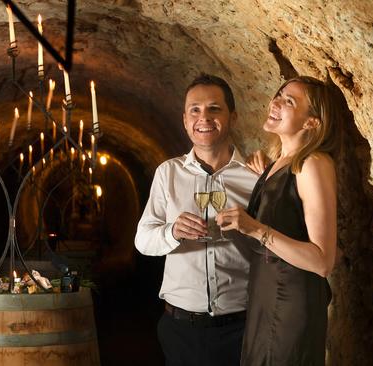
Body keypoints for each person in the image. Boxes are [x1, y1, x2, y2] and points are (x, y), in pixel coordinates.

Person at [135, 73, 265, 366]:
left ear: (233, 117)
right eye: (195, 109)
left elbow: (273, 242)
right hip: (182, 328)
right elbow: (143, 240)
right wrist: (172, 231)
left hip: (241, 326)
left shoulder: (255, 176)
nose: (203, 117)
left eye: (214, 108)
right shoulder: (168, 172)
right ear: (184, 119)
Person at [216, 76, 341, 365]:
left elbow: (323, 262)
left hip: (290, 301)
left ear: (311, 122)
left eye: (289, 101)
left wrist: (255, 228)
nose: (275, 102)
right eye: (279, 95)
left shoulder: (314, 164)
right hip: (266, 294)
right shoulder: (279, 164)